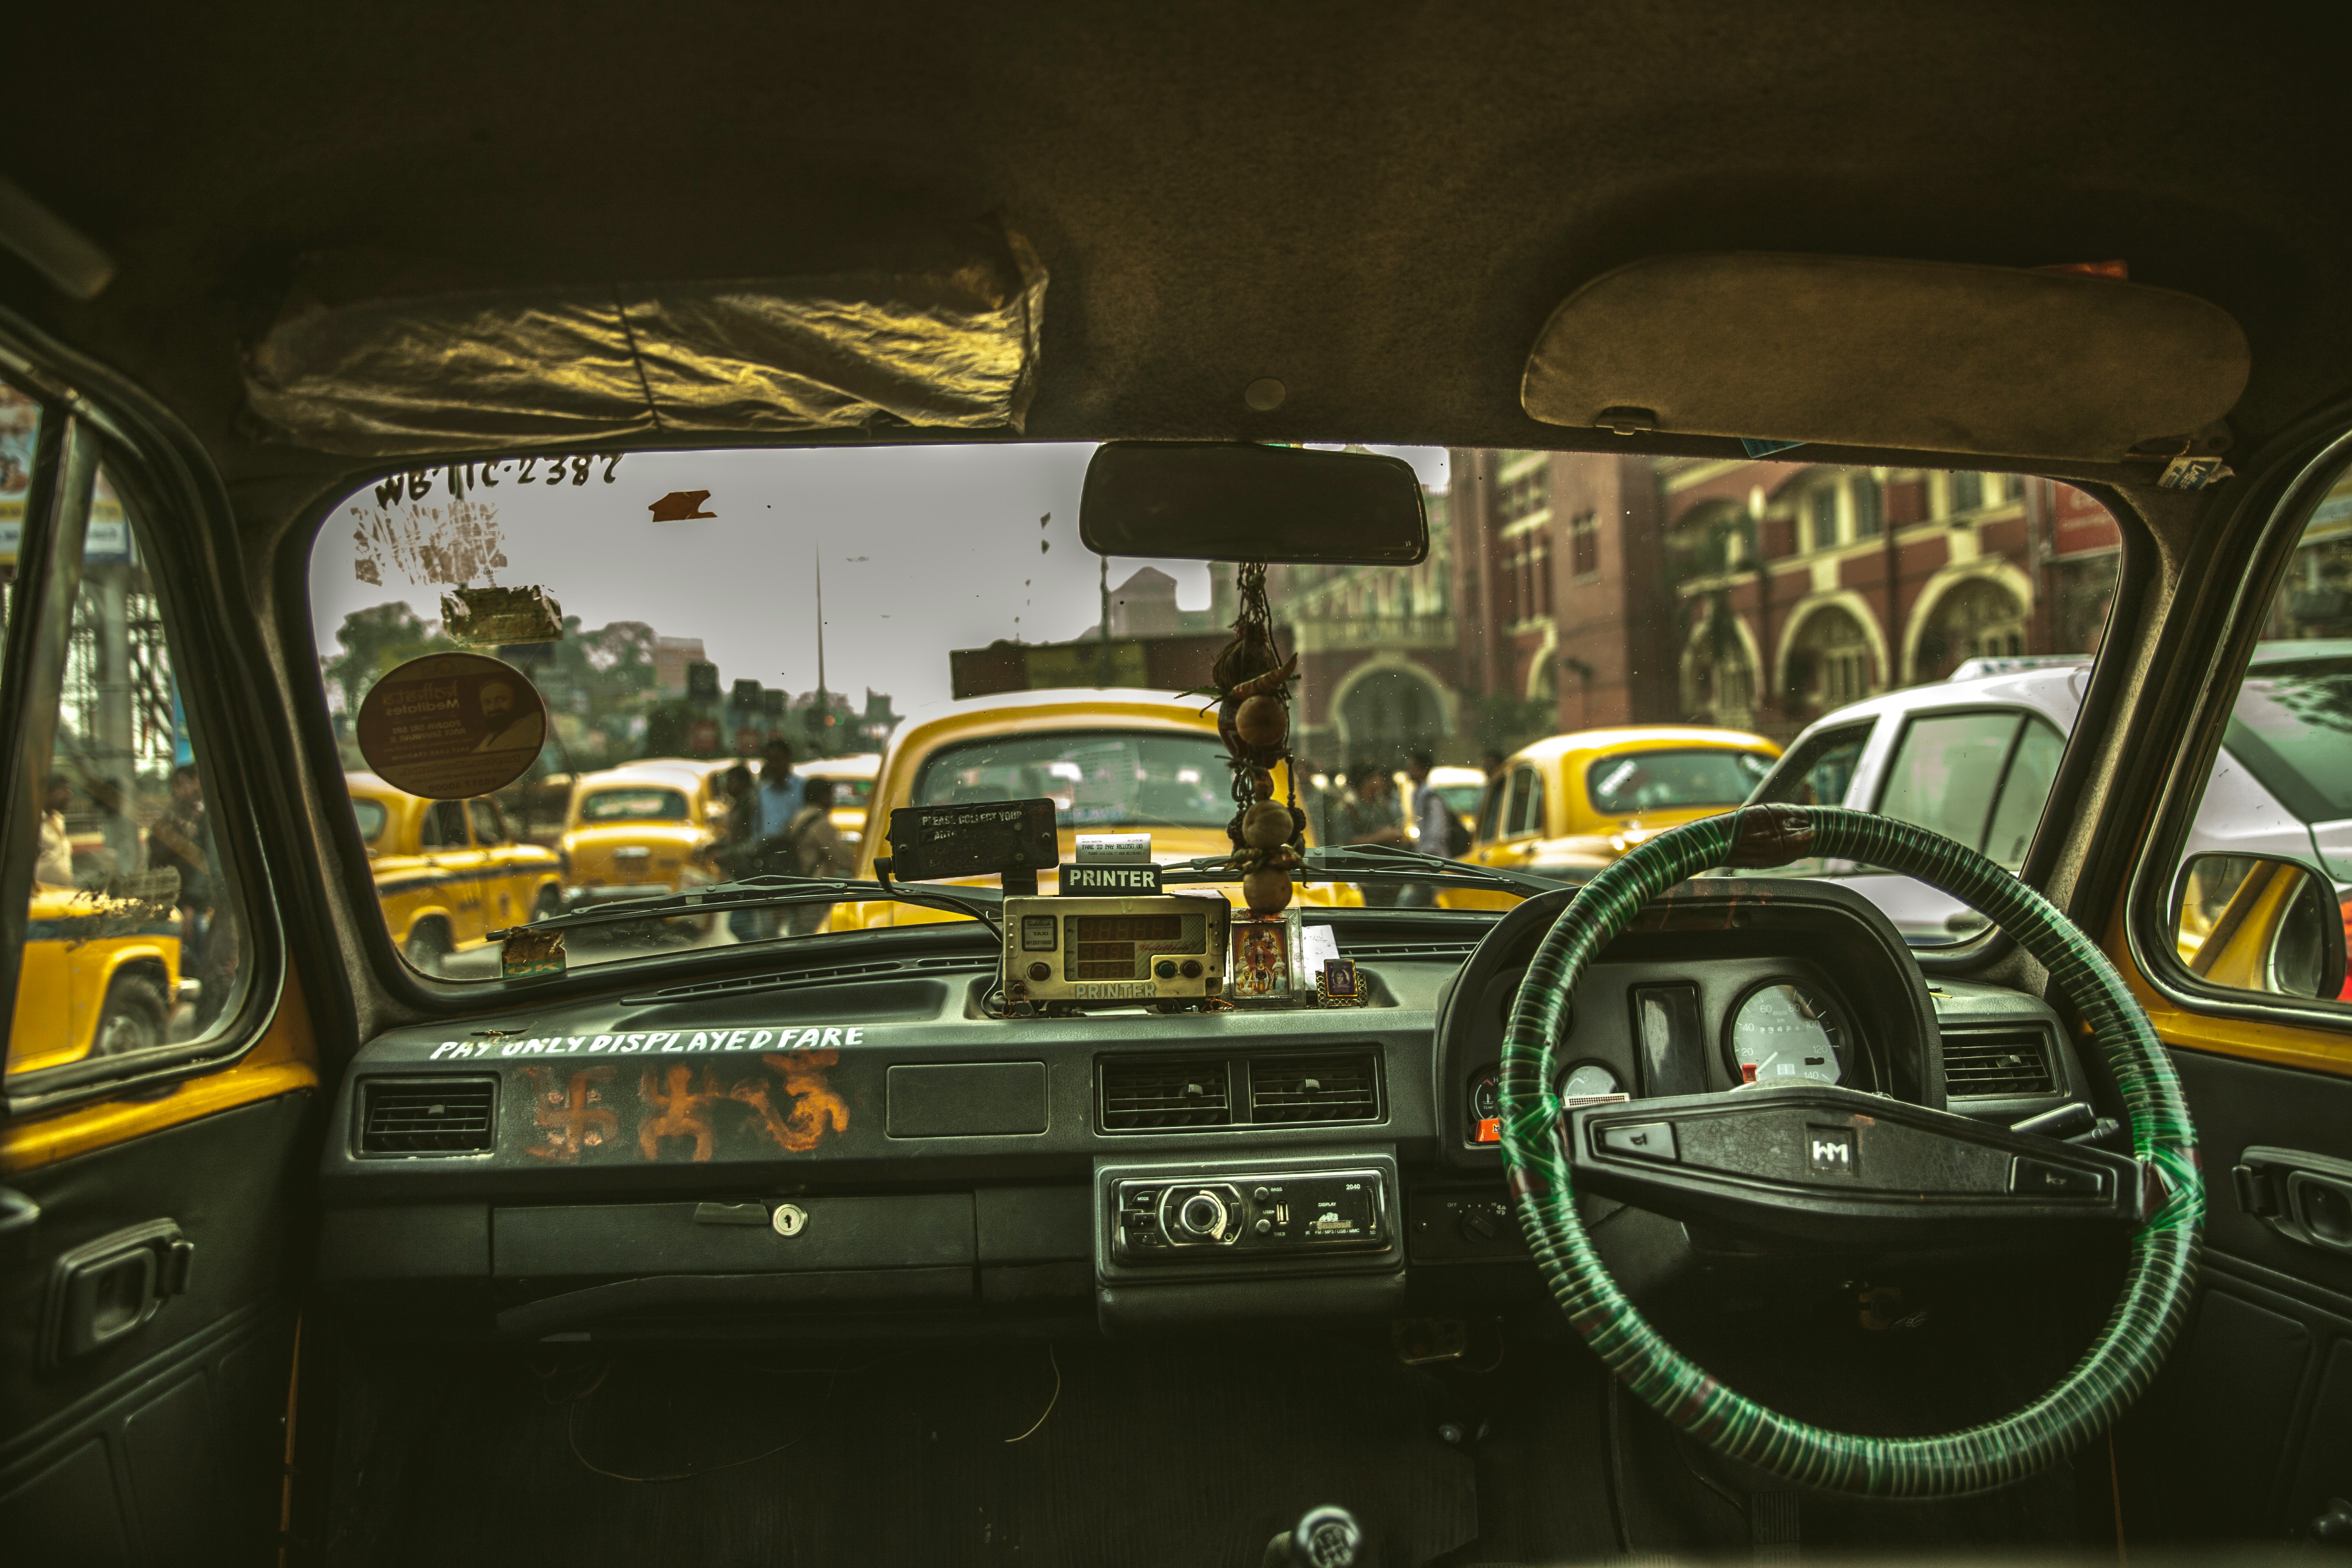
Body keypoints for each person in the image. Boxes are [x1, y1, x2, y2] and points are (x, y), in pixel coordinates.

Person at [147, 763, 212, 967]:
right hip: (181, 903)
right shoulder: (169, 822)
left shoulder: (204, 818)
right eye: (185, 784)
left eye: (194, 783)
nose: (192, 789)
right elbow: (160, 865)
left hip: (201, 903)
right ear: (175, 788)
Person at [782, 777, 854, 936]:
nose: (833, 801)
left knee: (798, 935)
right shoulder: (819, 822)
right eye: (830, 795)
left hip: (799, 886)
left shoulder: (799, 817)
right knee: (813, 936)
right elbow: (844, 859)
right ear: (823, 797)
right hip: (815, 889)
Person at [1339, 761, 1406, 907]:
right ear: (1366, 781)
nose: (1381, 781)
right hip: (1361, 880)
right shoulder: (1347, 809)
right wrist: (1380, 837)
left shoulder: (1381, 806)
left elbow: (1393, 829)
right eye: (1377, 777)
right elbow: (1344, 845)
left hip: (1385, 877)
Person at [755, 739, 805, 846]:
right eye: (770, 761)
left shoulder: (802, 788)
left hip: (795, 850)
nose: (774, 765)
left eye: (778, 760)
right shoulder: (763, 792)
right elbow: (757, 827)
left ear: (789, 759)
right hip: (768, 852)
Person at [36, 773, 74, 886]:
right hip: (40, 897)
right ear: (47, 793)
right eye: (64, 790)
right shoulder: (34, 822)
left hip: (59, 895)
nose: (69, 796)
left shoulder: (59, 820)